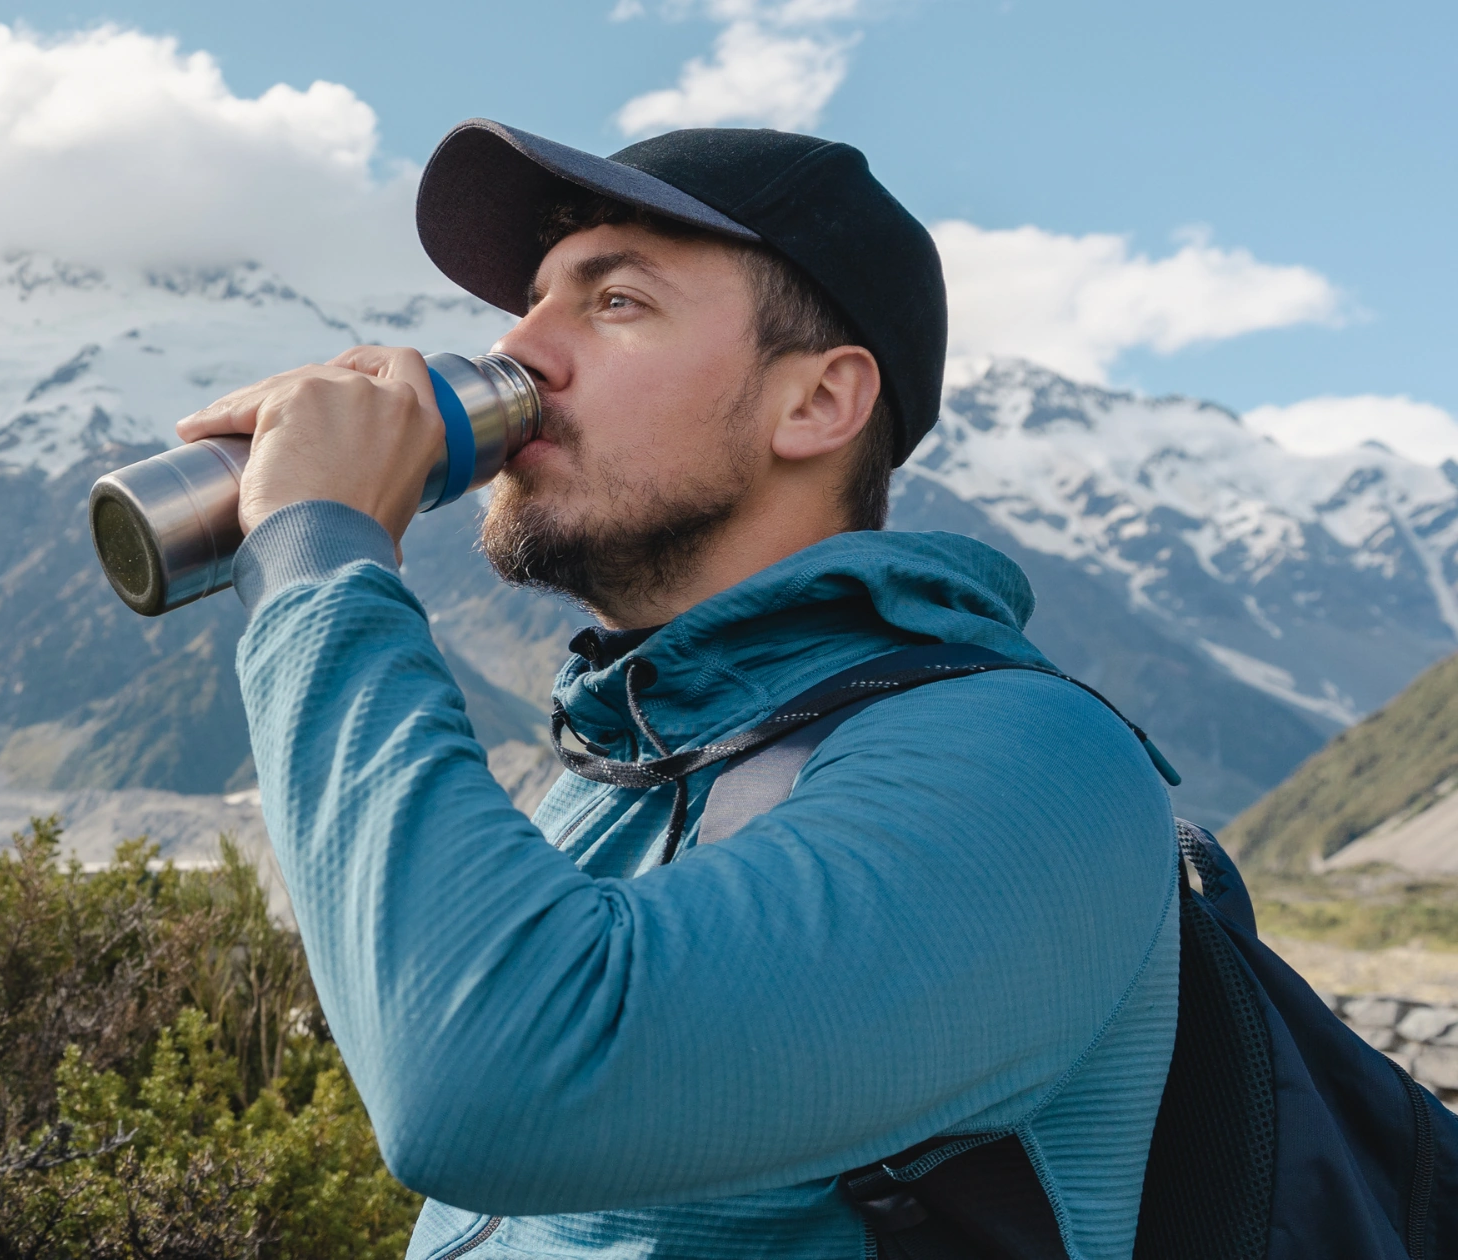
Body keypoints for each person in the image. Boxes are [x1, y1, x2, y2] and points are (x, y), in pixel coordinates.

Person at [171, 121, 1181, 1258]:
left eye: (615, 303)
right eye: (534, 303)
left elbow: (488, 1078)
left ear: (816, 404)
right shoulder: (635, 757)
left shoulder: (1025, 766)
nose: (523, 351)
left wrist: (323, 560)